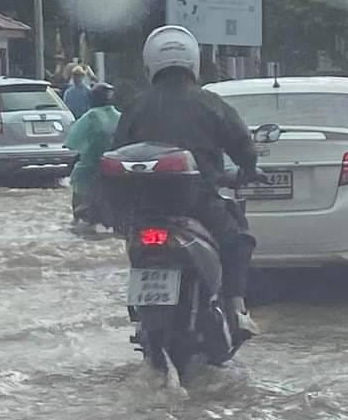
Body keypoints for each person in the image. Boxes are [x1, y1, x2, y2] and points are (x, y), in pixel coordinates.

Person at [112, 25, 264, 337]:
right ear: (193, 62)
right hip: (198, 203)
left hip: (145, 208)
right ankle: (237, 308)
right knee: (239, 239)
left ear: (150, 64)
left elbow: (115, 151)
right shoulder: (210, 103)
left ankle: (141, 316)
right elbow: (242, 144)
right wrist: (249, 169)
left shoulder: (136, 107)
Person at [65, 82, 120, 234]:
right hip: (114, 168)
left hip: (89, 168)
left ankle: (79, 219)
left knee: (78, 185)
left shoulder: (90, 116)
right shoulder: (120, 116)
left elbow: (72, 142)